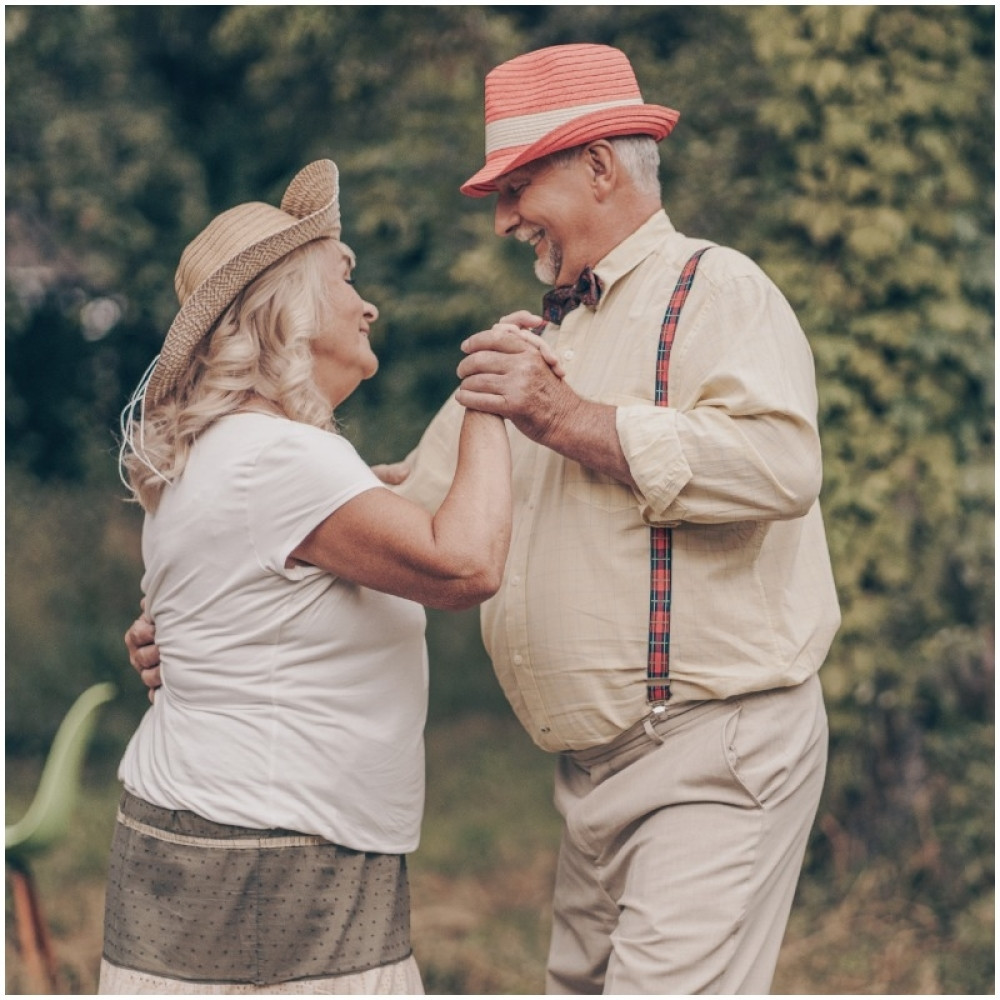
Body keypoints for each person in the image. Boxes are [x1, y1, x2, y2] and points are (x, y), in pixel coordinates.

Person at [130, 44, 841, 995]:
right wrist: (212, 607)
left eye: (518, 184)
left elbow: (781, 464)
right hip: (591, 774)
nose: (504, 218)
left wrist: (567, 419)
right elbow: (388, 508)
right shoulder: (539, 339)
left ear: (599, 165)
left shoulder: (717, 290)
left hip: (713, 747)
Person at [105, 158, 527, 995]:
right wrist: (491, 400)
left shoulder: (220, 454)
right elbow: (465, 563)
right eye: (345, 277)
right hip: (275, 845)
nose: (368, 303)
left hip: (216, 831)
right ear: (288, 308)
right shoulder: (281, 457)